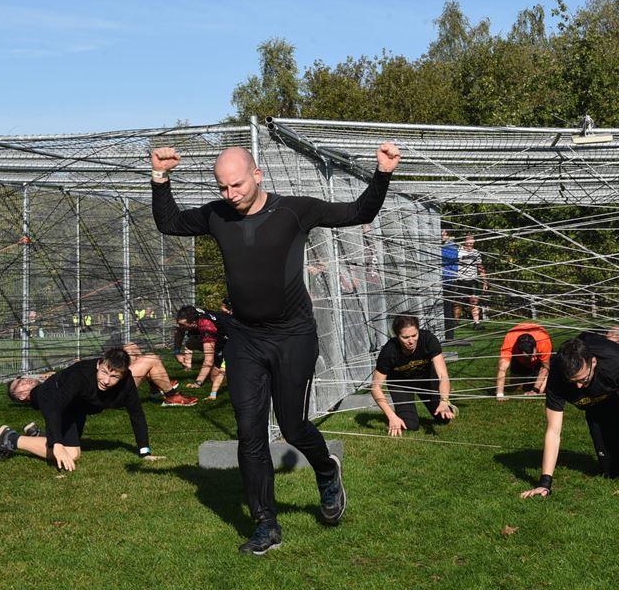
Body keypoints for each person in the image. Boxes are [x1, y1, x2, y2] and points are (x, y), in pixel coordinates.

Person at [150, 141, 400, 554]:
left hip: (293, 336)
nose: (230, 194)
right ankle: (265, 523)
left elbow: (360, 212)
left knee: (293, 425)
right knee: (249, 432)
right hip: (246, 339)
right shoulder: (217, 214)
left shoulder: (294, 210)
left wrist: (383, 173)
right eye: (222, 187)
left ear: (257, 175)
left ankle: (326, 470)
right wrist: (160, 176)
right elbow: (170, 222)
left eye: (236, 185)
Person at [520, 332, 619, 499]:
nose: (578, 386)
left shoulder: (618, 363)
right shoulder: (557, 377)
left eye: (583, 379)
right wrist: (544, 484)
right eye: (572, 381)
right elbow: (553, 431)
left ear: (594, 362)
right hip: (599, 403)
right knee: (610, 470)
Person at [0, 347, 155, 470]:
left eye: (114, 376)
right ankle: (10, 438)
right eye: (104, 372)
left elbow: (136, 413)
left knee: (67, 441)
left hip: (76, 406)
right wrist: (57, 444)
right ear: (99, 364)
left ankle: (38, 436)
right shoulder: (79, 377)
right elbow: (55, 409)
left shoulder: (127, 383)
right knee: (71, 453)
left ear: (123, 375)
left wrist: (144, 451)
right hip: (53, 395)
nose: (106, 380)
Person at [7, 341, 196, 408]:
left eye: (22, 379)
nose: (25, 380)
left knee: (130, 347)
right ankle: (171, 396)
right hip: (109, 391)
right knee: (151, 359)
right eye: (20, 384)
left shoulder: (46, 384)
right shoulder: (42, 396)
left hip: (102, 382)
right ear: (22, 397)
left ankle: (156, 387)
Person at [370, 314, 456, 435]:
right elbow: (375, 387)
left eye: (414, 335)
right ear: (397, 336)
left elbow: (443, 375)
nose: (411, 341)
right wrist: (391, 416)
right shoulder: (389, 351)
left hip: (425, 379)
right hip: (401, 384)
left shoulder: (428, 339)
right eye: (405, 337)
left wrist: (444, 400)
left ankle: (448, 404)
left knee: (444, 418)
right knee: (410, 425)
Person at [174, 305, 227, 400]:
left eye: (183, 325)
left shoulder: (206, 325)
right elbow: (179, 331)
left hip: (230, 339)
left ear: (193, 323)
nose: (180, 327)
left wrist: (198, 382)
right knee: (190, 343)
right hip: (217, 338)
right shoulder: (190, 315)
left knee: (214, 378)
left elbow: (209, 360)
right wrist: (177, 352)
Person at [495, 322, 552, 399]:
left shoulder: (543, 342)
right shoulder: (510, 342)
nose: (532, 359)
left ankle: (535, 376)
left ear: (535, 347)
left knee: (541, 390)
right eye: (528, 357)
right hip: (520, 360)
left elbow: (545, 367)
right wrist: (500, 394)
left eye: (533, 355)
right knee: (514, 386)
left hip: (540, 358)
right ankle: (526, 373)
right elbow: (502, 368)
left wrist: (535, 390)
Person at [456, 235, 487, 328]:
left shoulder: (476, 252)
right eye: (468, 243)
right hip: (461, 279)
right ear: (464, 242)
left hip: (473, 279)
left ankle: (476, 323)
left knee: (474, 301)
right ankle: (456, 322)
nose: (470, 245)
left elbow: (480, 267)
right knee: (459, 301)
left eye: (472, 243)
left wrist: (485, 281)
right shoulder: (458, 252)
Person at [440, 229, 460, 340]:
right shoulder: (450, 247)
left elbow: (451, 266)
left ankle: (449, 335)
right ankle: (448, 335)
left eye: (443, 233)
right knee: (446, 308)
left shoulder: (449, 248)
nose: (441, 235)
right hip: (447, 280)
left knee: (447, 309)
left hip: (446, 281)